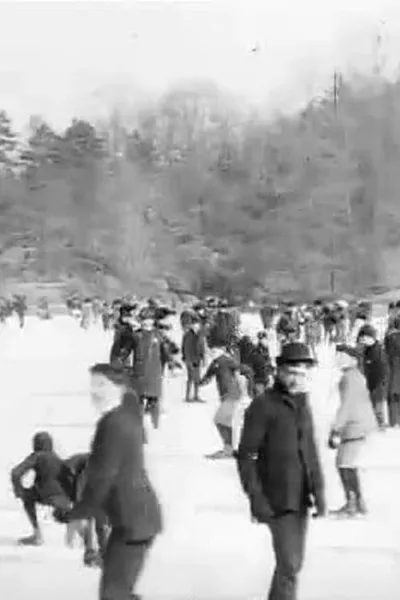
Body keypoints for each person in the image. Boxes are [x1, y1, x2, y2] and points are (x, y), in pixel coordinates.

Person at [54, 363, 162, 600]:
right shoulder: (122, 417)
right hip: (131, 518)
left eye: (101, 385)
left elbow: (103, 475)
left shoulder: (114, 423)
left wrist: (78, 513)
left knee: (114, 594)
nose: (95, 391)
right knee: (116, 592)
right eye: (93, 385)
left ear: (120, 388)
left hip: (133, 519)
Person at [236, 342, 325, 600]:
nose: (298, 379)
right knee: (290, 563)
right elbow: (247, 455)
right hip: (275, 498)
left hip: (300, 497)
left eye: (304, 373)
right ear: (280, 371)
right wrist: (256, 498)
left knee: (291, 566)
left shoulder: (303, 404)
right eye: (293, 372)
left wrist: (319, 493)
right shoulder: (263, 405)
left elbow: (310, 450)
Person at [328, 345, 378, 517]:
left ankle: (353, 503)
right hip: (360, 424)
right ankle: (358, 502)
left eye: (342, 356)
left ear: (353, 360)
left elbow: (347, 405)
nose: (338, 359)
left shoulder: (349, 378)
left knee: (344, 464)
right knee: (346, 463)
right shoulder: (355, 376)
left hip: (354, 425)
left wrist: (336, 428)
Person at [10, 431, 71, 546]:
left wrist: (18, 490)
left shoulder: (37, 456)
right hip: (63, 497)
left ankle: (37, 535)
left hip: (45, 494)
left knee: (27, 497)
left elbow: (16, 473)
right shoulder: (57, 459)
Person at [357, 324, 388, 429]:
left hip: (379, 381)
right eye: (361, 339)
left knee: (377, 403)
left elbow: (382, 368)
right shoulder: (369, 348)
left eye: (364, 338)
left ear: (371, 337)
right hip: (371, 380)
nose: (362, 341)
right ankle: (374, 423)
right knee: (372, 402)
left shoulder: (377, 350)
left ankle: (380, 424)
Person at [181, 314, 206, 402]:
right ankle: (187, 397)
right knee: (190, 377)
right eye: (194, 324)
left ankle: (196, 395)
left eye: (198, 324)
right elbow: (185, 348)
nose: (196, 326)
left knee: (197, 378)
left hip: (197, 359)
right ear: (191, 325)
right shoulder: (188, 335)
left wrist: (203, 358)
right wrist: (188, 361)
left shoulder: (200, 334)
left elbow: (202, 347)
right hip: (190, 359)